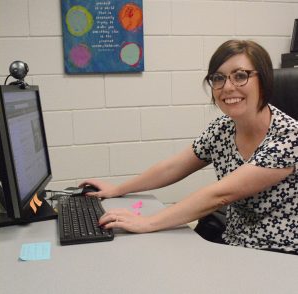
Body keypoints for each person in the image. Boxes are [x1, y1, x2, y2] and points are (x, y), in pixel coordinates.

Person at [80, 40, 298, 254]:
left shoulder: (289, 137)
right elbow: (173, 167)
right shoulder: (223, 128)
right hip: (234, 242)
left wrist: (147, 223)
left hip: (278, 253)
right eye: (218, 78)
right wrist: (117, 189)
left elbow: (220, 195)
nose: (228, 87)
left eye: (240, 76)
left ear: (264, 79)